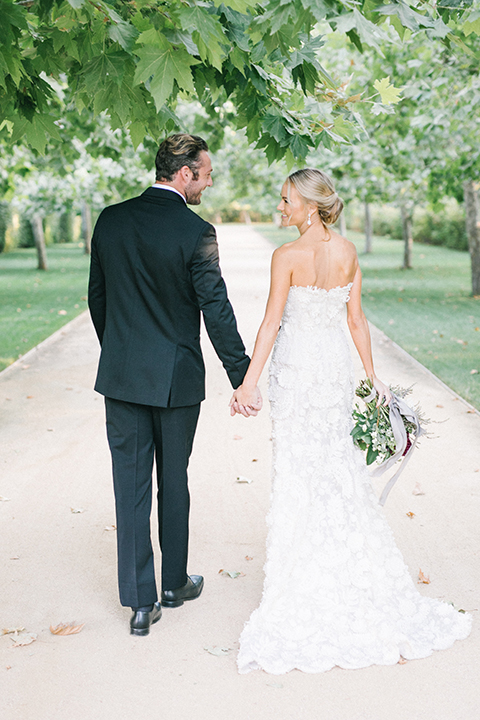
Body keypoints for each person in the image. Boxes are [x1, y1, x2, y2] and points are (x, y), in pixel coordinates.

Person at [231, 168, 471, 673]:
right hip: (334, 371)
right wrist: (371, 375)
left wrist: (249, 383)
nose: (281, 208)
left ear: (310, 204)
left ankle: (305, 576)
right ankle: (350, 567)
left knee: (299, 470)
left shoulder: (286, 257)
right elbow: (356, 320)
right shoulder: (347, 253)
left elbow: (272, 321)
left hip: (298, 376)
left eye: (286, 201)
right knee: (337, 470)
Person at [88, 133, 261, 636]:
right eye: (206, 174)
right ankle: (174, 583)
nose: (209, 182)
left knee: (130, 487)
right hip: (177, 379)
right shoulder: (197, 231)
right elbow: (216, 310)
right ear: (184, 173)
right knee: (174, 482)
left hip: (121, 377)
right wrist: (242, 374)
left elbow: (97, 298)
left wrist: (119, 351)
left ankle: (141, 605)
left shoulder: (111, 220)